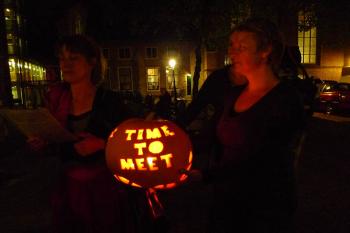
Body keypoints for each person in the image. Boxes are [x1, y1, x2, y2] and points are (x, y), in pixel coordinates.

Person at [184, 18, 306, 233]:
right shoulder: (232, 96)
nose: (232, 52)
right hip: (225, 201)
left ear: (265, 50)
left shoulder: (285, 100)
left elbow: (259, 159)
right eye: (231, 45)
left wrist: (207, 174)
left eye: (241, 47)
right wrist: (167, 140)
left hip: (264, 207)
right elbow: (208, 136)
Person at [28, 35, 153, 233]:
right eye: (62, 59)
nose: (66, 65)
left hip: (106, 191)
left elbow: (136, 142)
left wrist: (104, 144)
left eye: (74, 58)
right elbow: (57, 145)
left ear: (92, 62)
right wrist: (42, 144)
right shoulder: (56, 101)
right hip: (70, 191)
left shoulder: (110, 101)